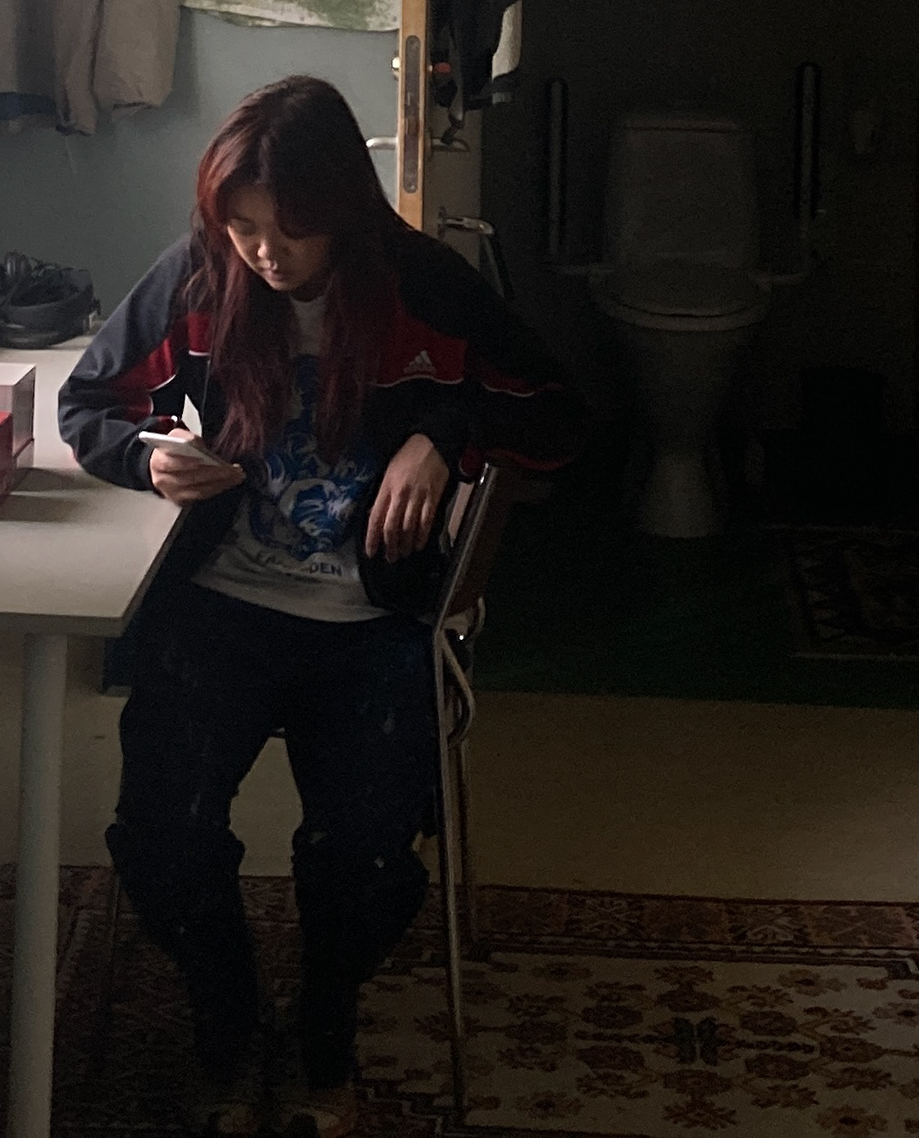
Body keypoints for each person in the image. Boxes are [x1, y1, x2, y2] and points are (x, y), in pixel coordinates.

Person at [61, 76, 583, 1138]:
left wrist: (445, 438)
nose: (266, 253)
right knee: (157, 836)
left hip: (374, 621)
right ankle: (227, 1010)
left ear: (341, 208)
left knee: (367, 860)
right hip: (220, 604)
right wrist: (148, 456)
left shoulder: (424, 285)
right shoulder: (200, 276)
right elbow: (88, 405)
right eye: (244, 227)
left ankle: (325, 1024)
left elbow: (562, 415)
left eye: (291, 229)